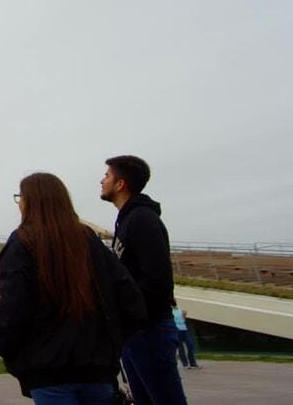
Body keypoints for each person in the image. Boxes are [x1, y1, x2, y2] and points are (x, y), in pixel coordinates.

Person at [0, 172, 147, 405]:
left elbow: (13, 309)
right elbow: (130, 299)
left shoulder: (22, 242)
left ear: (31, 202)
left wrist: (15, 356)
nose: (19, 204)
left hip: (48, 373)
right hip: (97, 370)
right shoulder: (89, 240)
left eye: (20, 198)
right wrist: (110, 346)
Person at [100, 155, 188, 405]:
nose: (102, 180)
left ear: (120, 184)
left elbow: (157, 281)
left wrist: (133, 317)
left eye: (107, 175)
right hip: (135, 333)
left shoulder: (142, 220)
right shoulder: (127, 220)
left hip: (148, 331)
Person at [171, 301, 200, 369]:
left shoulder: (180, 310)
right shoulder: (171, 312)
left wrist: (184, 315)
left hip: (184, 329)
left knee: (190, 345)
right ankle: (185, 364)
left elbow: (183, 320)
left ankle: (193, 363)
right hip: (177, 330)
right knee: (181, 348)